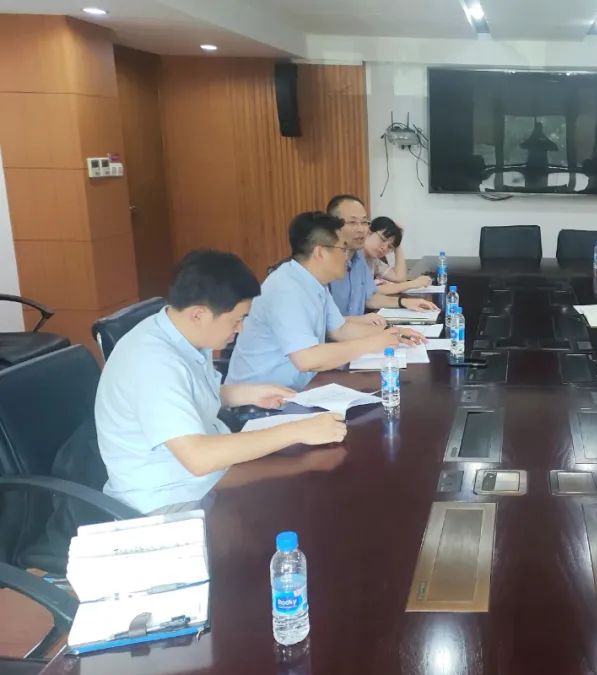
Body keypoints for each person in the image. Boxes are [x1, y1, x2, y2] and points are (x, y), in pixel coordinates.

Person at [95, 250, 347, 515]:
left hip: (206, 477)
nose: (240, 329)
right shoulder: (153, 363)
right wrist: (297, 430)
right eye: (236, 320)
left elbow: (186, 394)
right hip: (170, 500)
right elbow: (198, 458)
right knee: (292, 503)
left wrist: (245, 394)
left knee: (299, 479)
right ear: (198, 315)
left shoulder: (181, 333)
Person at [226, 211, 416, 390]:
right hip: (260, 402)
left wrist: (392, 332)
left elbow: (341, 329)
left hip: (299, 389)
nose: (347, 257)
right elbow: (307, 359)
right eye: (343, 249)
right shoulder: (286, 288)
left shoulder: (315, 282)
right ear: (320, 252)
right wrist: (371, 343)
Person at [325, 195, 434, 314]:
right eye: (352, 222)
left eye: (364, 222)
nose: (361, 229)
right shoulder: (324, 263)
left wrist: (404, 302)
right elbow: (328, 320)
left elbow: (369, 297)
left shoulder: (360, 258)